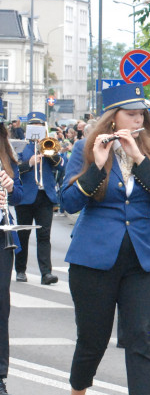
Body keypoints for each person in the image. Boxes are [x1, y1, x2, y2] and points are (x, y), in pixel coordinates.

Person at [61, 84, 150, 395]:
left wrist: (138, 157)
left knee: (141, 339)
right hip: (94, 257)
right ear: (112, 117)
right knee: (92, 339)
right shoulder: (85, 147)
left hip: (141, 259)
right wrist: (96, 164)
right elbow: (69, 202)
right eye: (131, 114)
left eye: (142, 113)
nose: (138, 119)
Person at [14, 111, 62, 286]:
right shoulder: (21, 146)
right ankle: (20, 269)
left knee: (44, 236)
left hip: (45, 196)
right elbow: (14, 169)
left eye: (40, 126)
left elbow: (61, 166)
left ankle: (46, 273)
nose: (37, 129)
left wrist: (51, 154)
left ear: (44, 128)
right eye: (34, 126)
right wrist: (31, 163)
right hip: (25, 197)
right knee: (23, 235)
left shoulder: (49, 145)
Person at [0, 103, 24, 395]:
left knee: (0, 309)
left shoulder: (5, 153)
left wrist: (9, 184)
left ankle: (0, 378)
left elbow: (20, 195)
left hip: (1, 237)